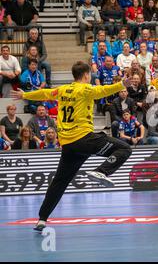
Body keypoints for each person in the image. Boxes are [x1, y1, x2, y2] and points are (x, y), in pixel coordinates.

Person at [11, 61, 134, 231]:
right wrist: (121, 84)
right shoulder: (86, 89)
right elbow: (104, 91)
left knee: (59, 182)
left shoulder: (62, 90)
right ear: (85, 75)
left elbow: (45, 93)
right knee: (125, 149)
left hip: (69, 144)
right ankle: (101, 171)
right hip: (84, 138)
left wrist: (25, 95)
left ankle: (42, 219)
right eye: (89, 74)